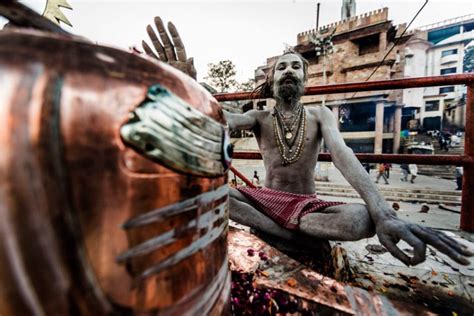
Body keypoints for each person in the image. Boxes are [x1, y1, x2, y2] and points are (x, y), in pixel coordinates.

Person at [141, 18, 472, 266]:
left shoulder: (321, 115)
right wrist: (186, 84)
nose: (287, 70)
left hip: (307, 206)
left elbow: (342, 154)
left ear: (304, 78)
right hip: (263, 202)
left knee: (361, 219)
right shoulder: (259, 117)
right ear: (271, 79)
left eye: (295, 67)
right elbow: (217, 119)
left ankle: (282, 232)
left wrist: (384, 212)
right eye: (280, 67)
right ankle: (291, 234)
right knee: (211, 194)